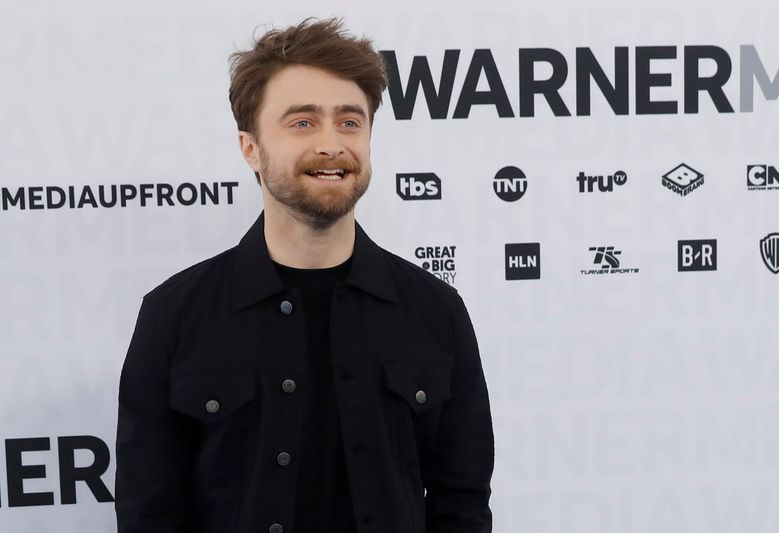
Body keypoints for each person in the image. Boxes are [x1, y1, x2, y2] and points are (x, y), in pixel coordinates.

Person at [115, 17, 494, 533]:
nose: (332, 144)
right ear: (250, 147)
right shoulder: (174, 315)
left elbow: (462, 504)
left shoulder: (435, 310)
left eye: (349, 121)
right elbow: (149, 513)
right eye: (302, 122)